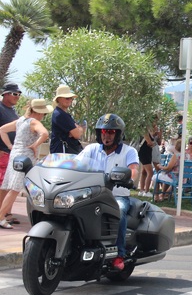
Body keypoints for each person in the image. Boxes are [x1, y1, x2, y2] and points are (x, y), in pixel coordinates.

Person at [76, 114, 139, 270]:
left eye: (111, 132)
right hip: (92, 194)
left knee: (120, 212)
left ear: (118, 134)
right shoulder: (91, 149)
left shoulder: (128, 151)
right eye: (103, 132)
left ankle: (119, 254)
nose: (107, 136)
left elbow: (134, 170)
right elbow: (75, 164)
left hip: (117, 196)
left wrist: (127, 176)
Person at [0, 99, 53, 229]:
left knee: (7, 186)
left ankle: (2, 213)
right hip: (25, 158)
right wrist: (35, 145)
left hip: (14, 155)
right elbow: (45, 133)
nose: (43, 116)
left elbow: (2, 129)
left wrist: (9, 146)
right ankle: (1, 217)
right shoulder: (34, 122)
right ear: (39, 112)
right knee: (15, 188)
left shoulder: (21, 121)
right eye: (43, 113)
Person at [0, 84, 21, 224]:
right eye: (14, 94)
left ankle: (6, 212)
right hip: (2, 152)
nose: (17, 97)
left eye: (19, 94)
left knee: (9, 184)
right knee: (3, 184)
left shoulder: (12, 111)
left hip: (11, 153)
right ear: (5, 94)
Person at [50, 85, 85, 154]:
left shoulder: (63, 114)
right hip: (62, 154)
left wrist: (73, 131)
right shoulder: (60, 115)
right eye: (67, 98)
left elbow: (76, 133)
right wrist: (77, 129)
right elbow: (77, 134)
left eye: (71, 98)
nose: (70, 100)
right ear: (59, 99)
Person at [138, 118, 162, 197]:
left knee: (144, 172)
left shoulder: (151, 132)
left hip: (147, 152)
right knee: (150, 172)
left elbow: (156, 142)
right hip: (144, 152)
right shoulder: (145, 131)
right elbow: (150, 143)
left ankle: (142, 190)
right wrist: (152, 142)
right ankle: (146, 191)